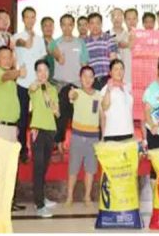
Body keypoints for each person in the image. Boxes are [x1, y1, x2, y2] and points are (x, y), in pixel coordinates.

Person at [0, 45, 27, 212]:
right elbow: (6, 75)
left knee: (10, 166)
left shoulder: (11, 79)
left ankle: (8, 201)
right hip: (0, 127)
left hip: (11, 127)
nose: (7, 60)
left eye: (9, 57)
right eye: (3, 57)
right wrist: (18, 72)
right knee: (0, 166)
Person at [49, 14, 89, 154]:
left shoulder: (80, 43)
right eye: (64, 24)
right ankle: (58, 144)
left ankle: (78, 146)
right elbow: (51, 58)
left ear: (73, 26)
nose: (67, 27)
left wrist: (85, 85)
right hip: (60, 85)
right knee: (60, 118)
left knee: (77, 119)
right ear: (60, 26)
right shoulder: (55, 43)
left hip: (77, 85)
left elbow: (84, 64)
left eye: (69, 24)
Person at [12, 7, 47, 162]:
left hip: (37, 84)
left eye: (33, 17)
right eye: (27, 17)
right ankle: (22, 150)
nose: (30, 20)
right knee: (22, 119)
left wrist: (42, 79)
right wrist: (30, 37)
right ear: (23, 19)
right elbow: (24, 45)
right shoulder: (16, 37)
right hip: (22, 83)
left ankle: (38, 149)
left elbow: (42, 60)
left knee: (39, 118)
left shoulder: (40, 39)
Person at [66, 66, 101, 207]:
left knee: (90, 170)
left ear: (94, 79)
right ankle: (69, 197)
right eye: (84, 76)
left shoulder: (98, 95)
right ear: (80, 78)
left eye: (90, 76)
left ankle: (87, 197)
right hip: (77, 136)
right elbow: (72, 96)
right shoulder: (77, 92)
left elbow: (102, 115)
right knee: (73, 169)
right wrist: (71, 94)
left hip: (93, 137)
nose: (87, 79)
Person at [29, 60, 60, 218]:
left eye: (45, 70)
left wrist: (54, 107)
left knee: (44, 167)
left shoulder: (52, 89)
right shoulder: (34, 87)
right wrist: (37, 85)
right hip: (37, 131)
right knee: (38, 167)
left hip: (50, 131)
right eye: (39, 70)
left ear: (49, 72)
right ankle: (39, 205)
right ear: (36, 73)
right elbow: (32, 89)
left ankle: (41, 197)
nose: (43, 73)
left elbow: (57, 113)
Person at [100, 59, 134, 141]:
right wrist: (108, 90)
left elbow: (130, 112)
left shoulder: (127, 87)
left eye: (121, 69)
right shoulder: (106, 89)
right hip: (112, 133)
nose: (119, 72)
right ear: (110, 72)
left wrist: (133, 133)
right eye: (116, 69)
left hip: (128, 132)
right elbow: (104, 108)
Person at [83, 12, 118, 91]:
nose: (95, 26)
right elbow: (84, 64)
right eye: (92, 23)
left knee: (109, 98)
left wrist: (113, 78)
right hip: (92, 80)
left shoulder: (109, 38)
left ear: (101, 24)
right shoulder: (84, 42)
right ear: (88, 25)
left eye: (97, 23)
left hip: (108, 78)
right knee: (95, 99)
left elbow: (113, 60)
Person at [119, 8, 138, 84]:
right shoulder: (121, 36)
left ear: (137, 20)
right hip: (125, 78)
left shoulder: (144, 35)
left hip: (141, 75)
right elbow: (121, 44)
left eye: (134, 18)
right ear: (125, 21)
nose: (132, 22)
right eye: (129, 19)